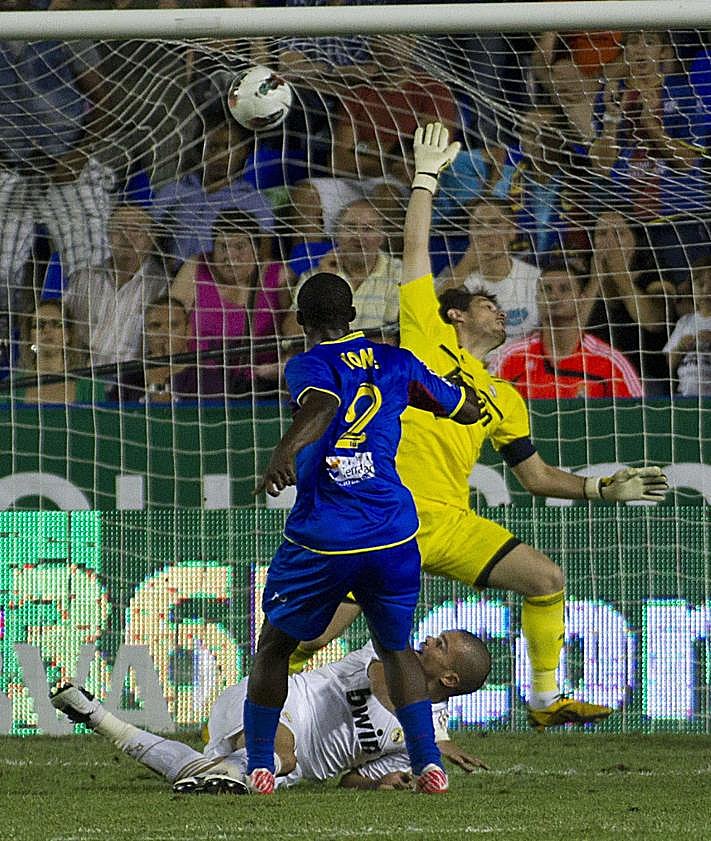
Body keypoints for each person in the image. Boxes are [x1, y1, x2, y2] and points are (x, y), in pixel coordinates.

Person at [291, 124, 669, 729]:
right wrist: (424, 179)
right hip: (388, 517)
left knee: (546, 577)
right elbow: (416, 250)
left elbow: (536, 477)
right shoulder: (426, 338)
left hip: (451, 523)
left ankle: (545, 701)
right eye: (486, 304)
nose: (500, 310)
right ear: (456, 315)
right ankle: (245, 713)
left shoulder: (505, 396)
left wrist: (601, 488)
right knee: (309, 635)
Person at [245, 270, 482, 794]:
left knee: (275, 645)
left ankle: (260, 762)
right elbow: (465, 409)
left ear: (300, 320)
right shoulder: (397, 360)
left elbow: (324, 404)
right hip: (392, 533)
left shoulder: (307, 364)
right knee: (395, 648)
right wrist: (452, 385)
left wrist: (284, 451)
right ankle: (428, 763)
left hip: (325, 536)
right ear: (353, 316)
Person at [49, 629, 491, 794]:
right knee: (282, 754)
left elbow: (351, 780)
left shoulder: (419, 745)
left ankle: (97, 717)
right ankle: (231, 770)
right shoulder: (387, 656)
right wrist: (432, 739)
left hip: (286, 773)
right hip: (270, 703)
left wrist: (386, 782)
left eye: (440, 645)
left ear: (450, 679)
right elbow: (385, 685)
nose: (427, 641)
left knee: (209, 775)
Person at [171, 210, 289, 396]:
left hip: (263, 384)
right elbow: (168, 321)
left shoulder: (278, 275)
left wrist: (284, 364)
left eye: (239, 247)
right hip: (199, 383)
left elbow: (296, 327)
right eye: (222, 247)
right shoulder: (196, 267)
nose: (229, 256)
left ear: (256, 249)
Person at [493, 259, 644, 399]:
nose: (554, 296)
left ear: (581, 300)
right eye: (547, 289)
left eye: (564, 289)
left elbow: (639, 413)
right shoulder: (510, 357)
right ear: (537, 299)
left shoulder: (609, 362)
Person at [283, 199, 402, 341]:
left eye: (368, 229)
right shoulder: (316, 275)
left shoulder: (399, 274)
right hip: (328, 355)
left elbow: (396, 338)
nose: (358, 236)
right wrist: (324, 284)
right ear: (337, 235)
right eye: (350, 228)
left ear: (382, 237)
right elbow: (291, 333)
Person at [437, 198, 540, 343]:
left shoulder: (535, 278)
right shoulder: (453, 279)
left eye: (495, 224)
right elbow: (429, 314)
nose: (485, 233)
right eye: (478, 225)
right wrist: (465, 266)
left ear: (512, 232)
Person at [13, 298, 105, 404]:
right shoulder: (11, 386)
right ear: (29, 337)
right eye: (39, 324)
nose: (47, 330)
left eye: (56, 324)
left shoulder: (90, 386)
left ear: (68, 335)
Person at [663, 254, 711, 397]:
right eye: (700, 284)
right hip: (685, 394)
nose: (706, 290)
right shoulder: (685, 322)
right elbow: (670, 362)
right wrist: (680, 347)